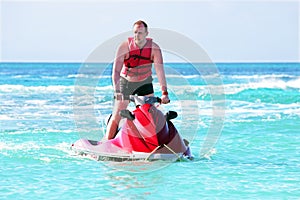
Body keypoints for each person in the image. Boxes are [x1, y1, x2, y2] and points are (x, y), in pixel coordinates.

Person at [105, 20, 170, 140]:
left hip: (144, 83)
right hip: (126, 83)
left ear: (146, 33)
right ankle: (107, 142)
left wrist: (164, 93)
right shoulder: (124, 47)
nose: (137, 36)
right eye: (135, 32)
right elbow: (116, 72)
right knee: (118, 113)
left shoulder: (154, 49)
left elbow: (160, 71)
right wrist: (117, 91)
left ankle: (152, 142)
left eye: (140, 33)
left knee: (151, 115)